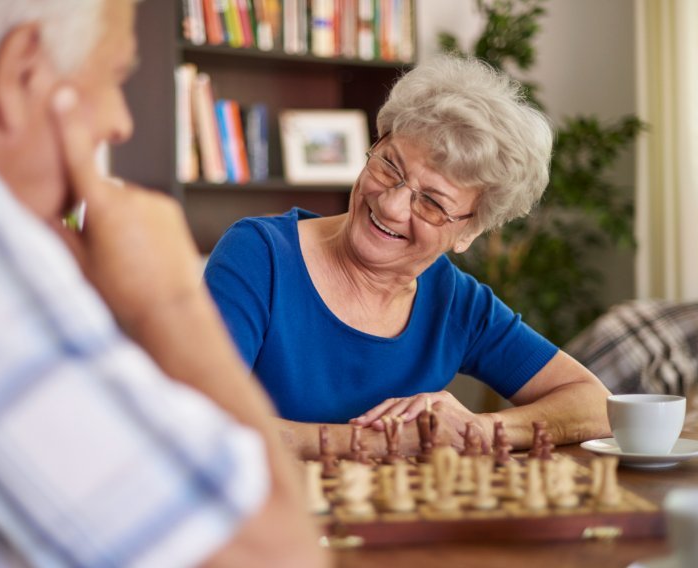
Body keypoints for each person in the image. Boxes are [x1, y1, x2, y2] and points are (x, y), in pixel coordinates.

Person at [0, 1, 328, 566]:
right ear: (22, 70)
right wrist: (169, 299)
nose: (121, 122)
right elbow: (276, 553)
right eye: (115, 77)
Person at [205, 55, 612, 457]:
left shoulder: (455, 303)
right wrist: (378, 442)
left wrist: (477, 429)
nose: (393, 205)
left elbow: (596, 405)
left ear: (468, 231)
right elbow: (201, 421)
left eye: (432, 203)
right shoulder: (260, 256)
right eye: (389, 167)